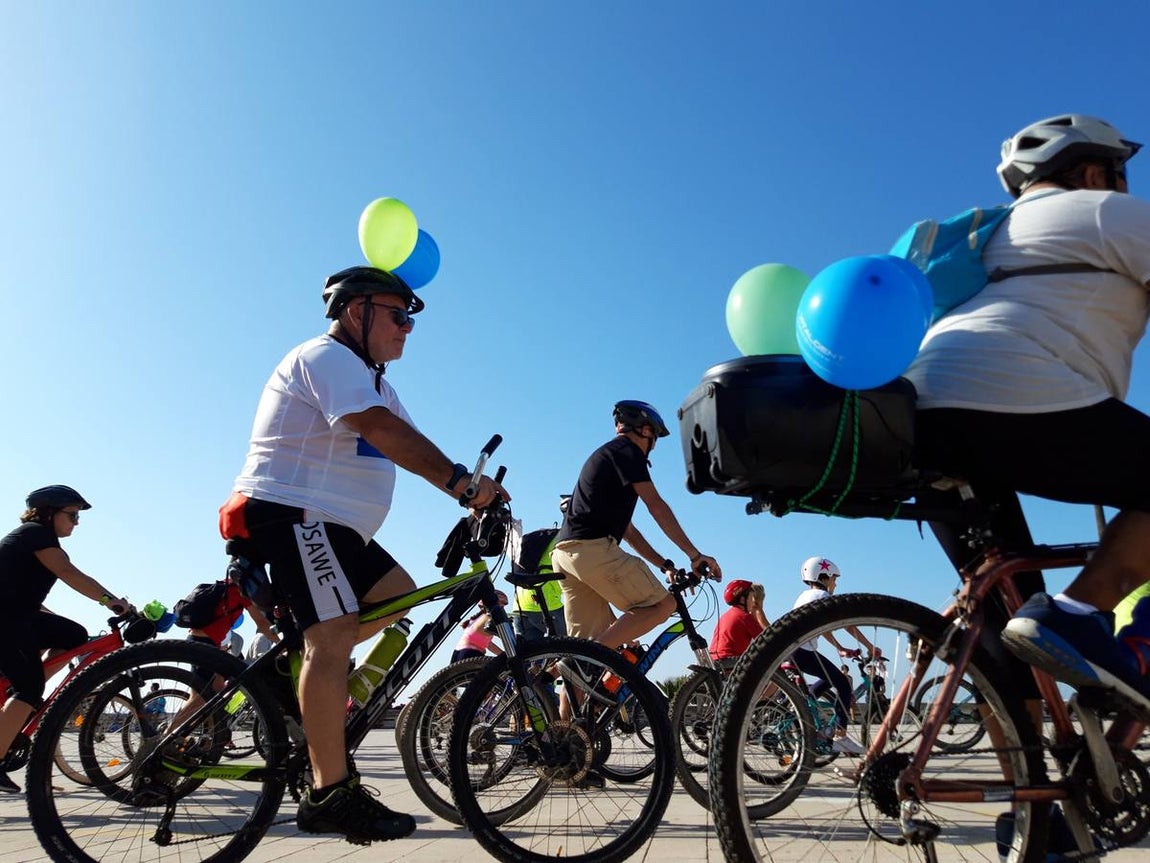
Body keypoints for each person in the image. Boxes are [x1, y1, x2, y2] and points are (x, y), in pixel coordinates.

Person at [218, 265, 507, 844]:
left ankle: (286, 677)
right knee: (333, 637)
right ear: (357, 312)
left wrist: (476, 501)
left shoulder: (378, 384)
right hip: (294, 512)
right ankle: (330, 793)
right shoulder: (326, 359)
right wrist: (461, 486)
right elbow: (381, 433)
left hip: (338, 528)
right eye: (398, 315)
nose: (407, 329)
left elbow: (408, 442)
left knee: (400, 596)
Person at [901, 115, 1150, 712]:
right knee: (1054, 619)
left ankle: (1030, 798)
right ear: (1093, 172)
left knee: (1004, 623)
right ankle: (1084, 611)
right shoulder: (1105, 212)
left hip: (917, 420)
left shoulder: (987, 236)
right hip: (1017, 401)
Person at [550, 400, 722, 662]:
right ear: (644, 430)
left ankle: (572, 673)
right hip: (592, 550)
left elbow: (630, 532)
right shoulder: (628, 452)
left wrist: (664, 564)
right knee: (663, 605)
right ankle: (584, 660)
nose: (653, 445)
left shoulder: (608, 456)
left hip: (566, 554)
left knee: (581, 648)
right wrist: (695, 555)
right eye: (654, 437)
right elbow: (656, 505)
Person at [0, 486, 131, 793]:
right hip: (6, 621)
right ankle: (22, 698)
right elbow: (69, 573)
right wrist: (111, 601)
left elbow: (17, 588)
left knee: (72, 634)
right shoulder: (35, 534)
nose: (76, 522)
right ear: (48, 513)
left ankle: (20, 696)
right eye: (72, 515)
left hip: (18, 616)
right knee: (29, 689)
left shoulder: (35, 539)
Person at [789, 556, 876, 755]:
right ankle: (841, 735)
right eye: (834, 578)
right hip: (803, 652)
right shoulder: (823, 596)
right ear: (824, 576)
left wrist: (840, 647)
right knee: (843, 683)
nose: (835, 583)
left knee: (829, 678)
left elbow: (825, 629)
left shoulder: (805, 596)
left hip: (794, 651)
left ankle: (799, 707)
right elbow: (846, 623)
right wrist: (870, 646)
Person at [709, 579, 768, 663]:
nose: (753, 603)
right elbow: (768, 640)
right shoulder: (745, 617)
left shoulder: (724, 616)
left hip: (714, 660)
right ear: (743, 600)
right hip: (730, 661)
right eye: (751, 598)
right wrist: (758, 613)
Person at [450, 591, 507, 661]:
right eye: (501, 605)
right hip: (471, 653)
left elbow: (489, 645)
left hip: (459, 653)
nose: (502, 608)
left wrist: (504, 655)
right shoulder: (487, 617)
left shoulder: (478, 618)